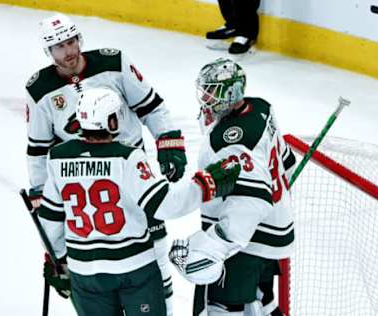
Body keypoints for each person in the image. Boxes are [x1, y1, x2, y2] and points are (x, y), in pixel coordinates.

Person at [25, 13, 187, 314]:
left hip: (134, 172)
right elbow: (37, 150)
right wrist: (42, 197)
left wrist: (168, 142)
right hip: (85, 180)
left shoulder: (114, 63)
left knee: (156, 251)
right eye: (59, 46)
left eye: (71, 42)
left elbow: (152, 106)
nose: (68, 51)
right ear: (48, 52)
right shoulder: (39, 90)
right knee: (96, 266)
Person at [37, 87, 241, 316]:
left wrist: (58, 260)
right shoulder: (127, 157)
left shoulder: (57, 157)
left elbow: (50, 218)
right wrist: (206, 184)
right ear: (111, 121)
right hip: (133, 270)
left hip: (85, 272)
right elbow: (166, 204)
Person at [168, 57, 297, 315]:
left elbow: (252, 202)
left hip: (246, 243)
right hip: (273, 230)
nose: (205, 97)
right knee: (261, 299)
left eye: (212, 91)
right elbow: (288, 162)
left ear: (231, 92)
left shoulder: (232, 139)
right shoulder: (262, 108)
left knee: (220, 308)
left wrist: (215, 245)